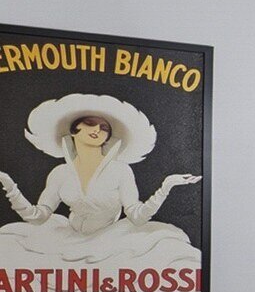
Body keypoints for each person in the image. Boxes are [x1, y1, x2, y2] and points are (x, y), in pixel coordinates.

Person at [0, 94, 202, 270]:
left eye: (104, 127)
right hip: (66, 239)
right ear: (74, 130)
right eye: (90, 123)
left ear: (107, 137)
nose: (97, 129)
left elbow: (137, 217)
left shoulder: (121, 170)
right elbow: (37, 217)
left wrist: (166, 186)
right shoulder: (60, 173)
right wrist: (9, 186)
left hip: (111, 241)